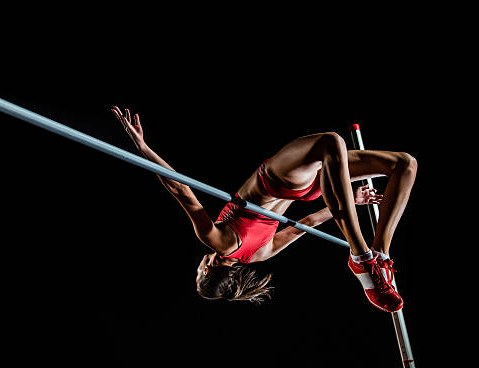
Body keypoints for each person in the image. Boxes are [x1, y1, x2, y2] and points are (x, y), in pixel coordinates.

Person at [111, 106, 417, 312]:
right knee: (330, 141)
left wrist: (355, 200)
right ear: (205, 270)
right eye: (196, 272)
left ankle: (380, 254)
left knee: (405, 164)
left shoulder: (260, 254)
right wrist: (143, 148)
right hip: (277, 180)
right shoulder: (216, 242)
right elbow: (180, 188)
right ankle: (361, 255)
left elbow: (307, 221)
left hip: (308, 189)